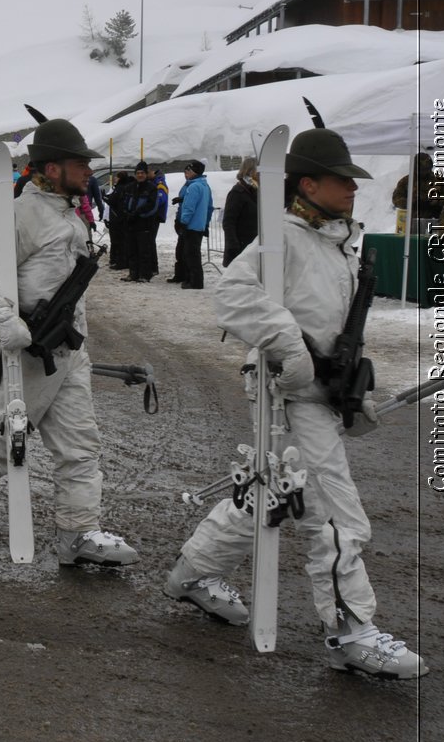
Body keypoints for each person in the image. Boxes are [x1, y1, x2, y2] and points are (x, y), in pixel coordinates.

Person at [165, 127, 426, 679]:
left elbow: (339, 331)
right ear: (307, 184)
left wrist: (356, 394)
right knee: (332, 513)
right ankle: (350, 631)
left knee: (272, 493)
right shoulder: (280, 241)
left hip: (320, 396)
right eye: (342, 181)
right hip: (286, 395)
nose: (354, 190)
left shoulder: (336, 244)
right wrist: (288, 346)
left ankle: (192, 572)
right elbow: (234, 296)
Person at [0, 118, 140, 567]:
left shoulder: (71, 213)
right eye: (79, 162)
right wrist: (3, 317)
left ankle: (78, 534)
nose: (88, 170)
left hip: (67, 352)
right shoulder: (20, 214)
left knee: (81, 447)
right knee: (0, 446)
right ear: (53, 168)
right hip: (23, 348)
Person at [169, 159, 212, 289]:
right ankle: (190, 279)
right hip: (199, 225)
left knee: (191, 255)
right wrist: (205, 223)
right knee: (191, 253)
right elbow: (209, 207)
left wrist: (183, 222)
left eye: (188, 170)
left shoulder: (193, 186)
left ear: (193, 172)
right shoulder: (205, 185)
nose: (186, 173)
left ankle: (195, 282)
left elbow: (189, 208)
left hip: (191, 226)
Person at [121, 161, 161, 282]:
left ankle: (145, 275)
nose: (140, 175)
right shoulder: (129, 187)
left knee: (144, 250)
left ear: (146, 174)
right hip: (131, 223)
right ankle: (133, 273)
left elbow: (153, 206)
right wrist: (127, 214)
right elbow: (123, 202)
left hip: (145, 223)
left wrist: (139, 214)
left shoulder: (152, 188)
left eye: (142, 173)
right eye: (138, 173)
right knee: (132, 249)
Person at [391, 151, 444, 230]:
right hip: (412, 221)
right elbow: (396, 199)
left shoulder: (439, 180)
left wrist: (436, 204)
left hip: (434, 220)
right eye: (422, 170)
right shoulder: (407, 181)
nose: (424, 173)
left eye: (426, 170)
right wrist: (411, 203)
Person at [221, 157, 259, 266]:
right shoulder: (237, 193)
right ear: (250, 171)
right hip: (240, 248)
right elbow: (228, 222)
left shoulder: (255, 190)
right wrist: (233, 246)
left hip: (252, 246)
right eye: (258, 171)